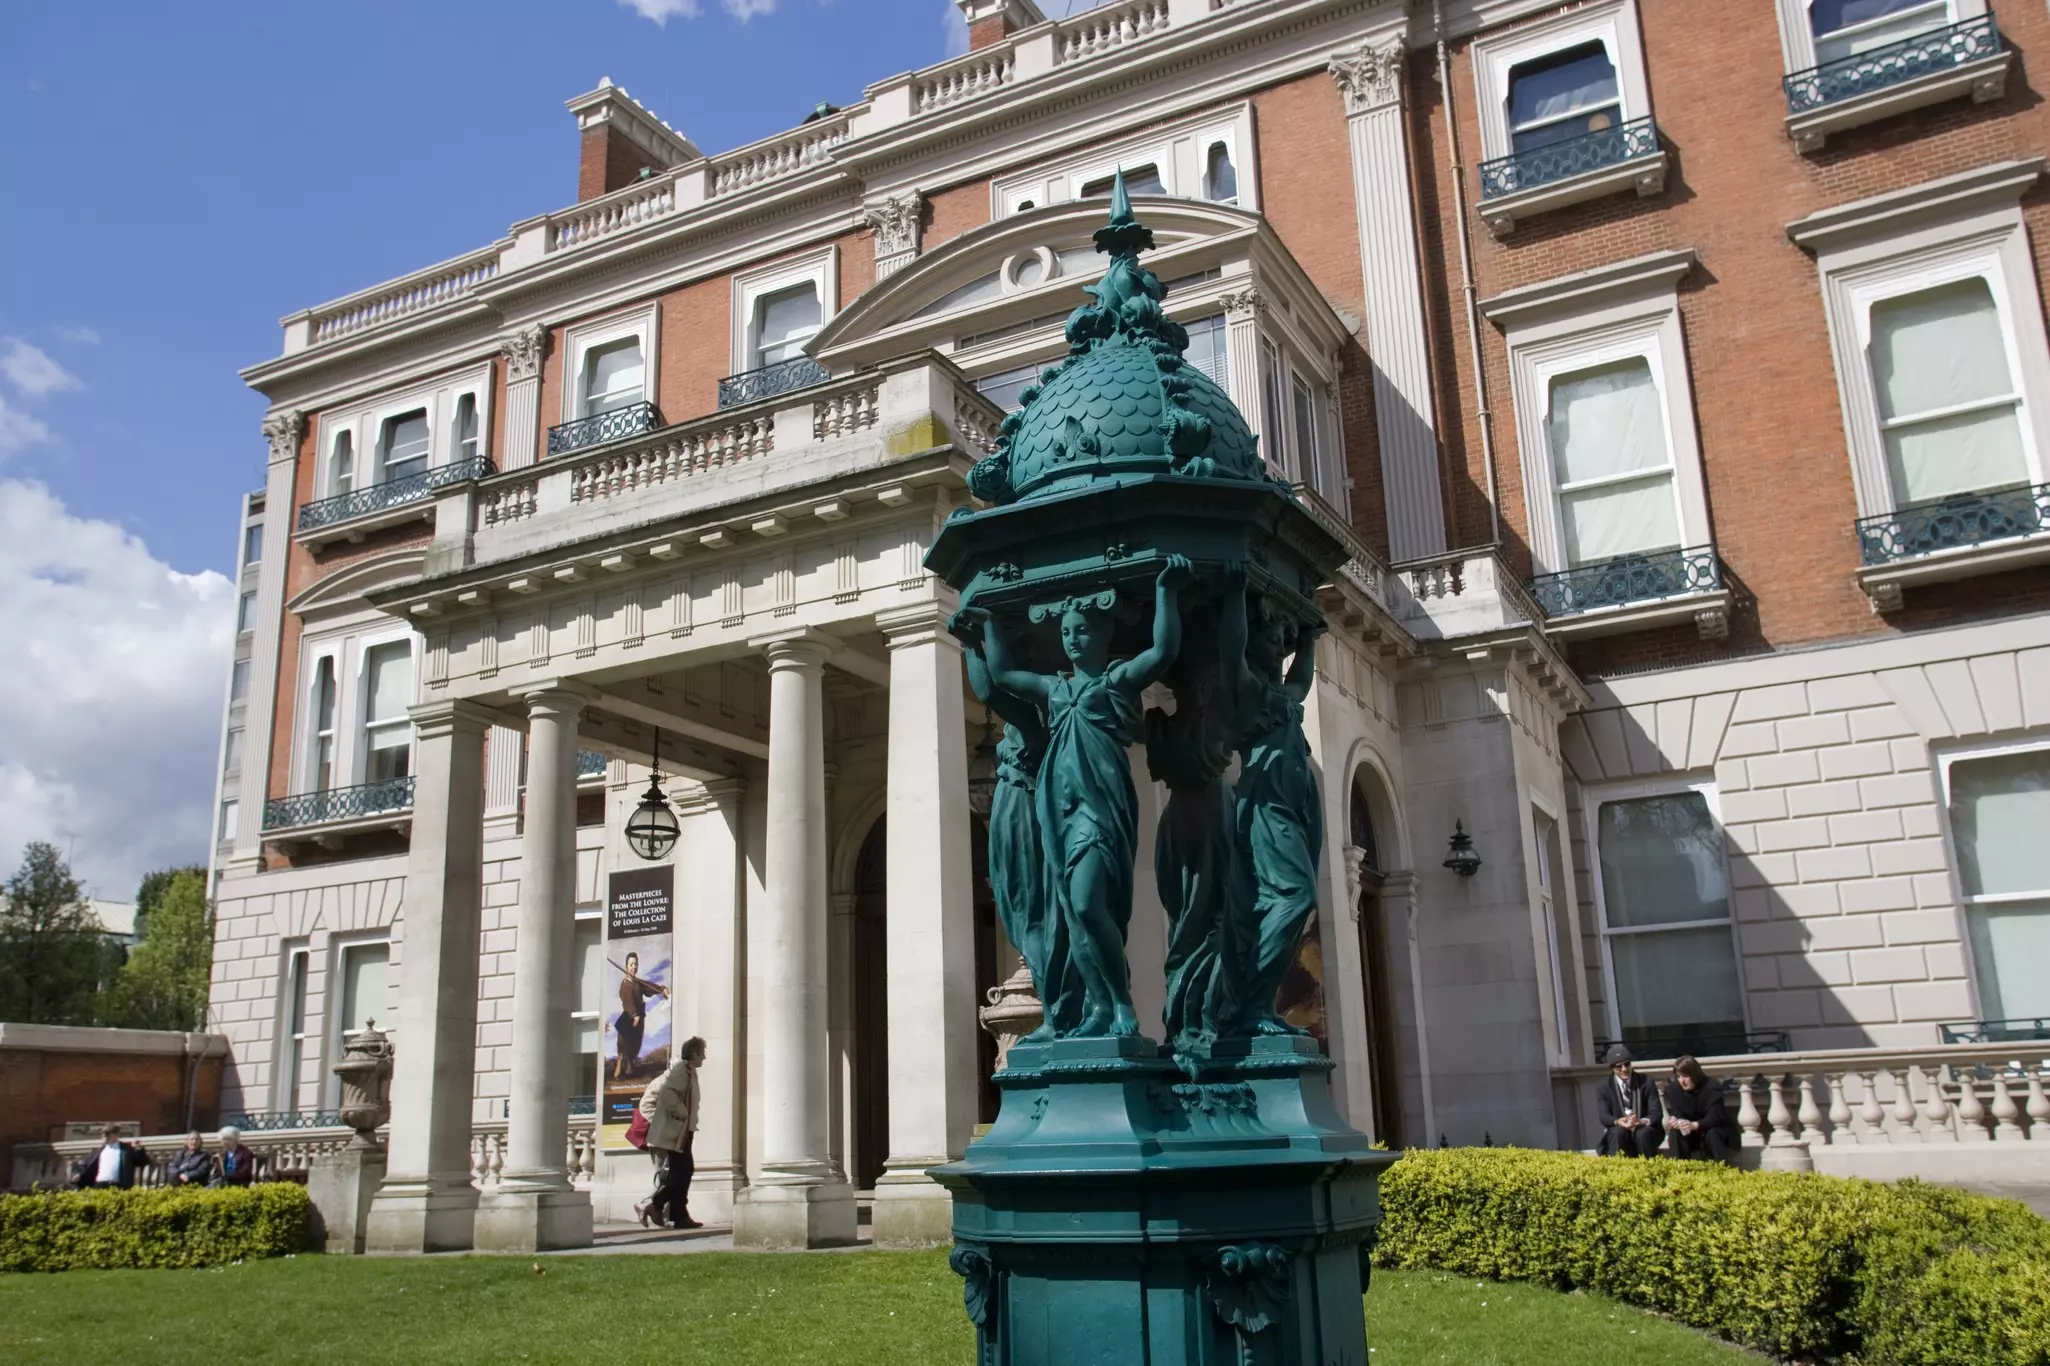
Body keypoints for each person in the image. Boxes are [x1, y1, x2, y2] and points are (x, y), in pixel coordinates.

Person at [966, 555, 1192, 1038]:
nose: (1072, 638)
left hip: (1099, 811)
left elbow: (1162, 652)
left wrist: (1165, 591)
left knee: (1090, 906)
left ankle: (1121, 1001)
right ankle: (1100, 1010)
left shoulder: (1115, 682)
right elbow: (999, 678)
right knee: (1073, 915)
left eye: (1083, 630)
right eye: (1067, 631)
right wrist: (978, 635)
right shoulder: (1055, 690)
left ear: (1103, 635)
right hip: (1058, 814)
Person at [636, 1036, 705, 1231]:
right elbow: (667, 1094)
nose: (704, 1058)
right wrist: (681, 1114)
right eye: (702, 1053)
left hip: (684, 1130)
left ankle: (678, 1215)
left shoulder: (688, 1072)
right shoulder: (680, 1071)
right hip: (676, 1132)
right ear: (694, 1054)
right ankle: (651, 1205)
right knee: (680, 1173)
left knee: (682, 1173)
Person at [1663, 1055, 1735, 1163]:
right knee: (1675, 1134)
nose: (1682, 1081)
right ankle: (1679, 1170)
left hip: (1712, 1129)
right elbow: (1677, 1112)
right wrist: (1677, 1121)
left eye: (1685, 1076)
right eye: (1678, 1076)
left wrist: (1694, 1125)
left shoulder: (1712, 1086)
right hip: (1689, 1133)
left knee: (1713, 1134)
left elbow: (1715, 1117)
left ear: (1694, 1075)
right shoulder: (1674, 1089)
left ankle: (1719, 1169)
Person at [1596, 1044, 1663, 1158]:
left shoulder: (1646, 1081)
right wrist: (1619, 1121)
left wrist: (1641, 1121)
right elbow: (1604, 1116)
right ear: (1612, 1068)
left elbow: (1656, 1112)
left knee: (1643, 1133)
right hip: (1620, 1130)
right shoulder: (1604, 1087)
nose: (1624, 1069)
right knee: (1617, 1133)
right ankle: (1616, 1172)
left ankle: (1649, 1169)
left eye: (1627, 1064)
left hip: (1643, 1129)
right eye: (1619, 1066)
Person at [612, 950, 669, 1080]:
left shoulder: (637, 982)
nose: (633, 967)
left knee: (636, 1044)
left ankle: (630, 1069)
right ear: (626, 966)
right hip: (629, 1019)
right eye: (631, 964)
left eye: (635, 964)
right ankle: (621, 1071)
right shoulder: (625, 984)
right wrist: (634, 1015)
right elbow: (627, 999)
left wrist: (661, 989)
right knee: (626, 1046)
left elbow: (648, 987)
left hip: (638, 1017)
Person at [72, 1123, 151, 1189]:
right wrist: (78, 1174)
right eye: (102, 1134)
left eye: (107, 1134)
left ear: (116, 1135)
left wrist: (139, 1150)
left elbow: (142, 1162)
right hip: (99, 1185)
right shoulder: (97, 1151)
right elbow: (84, 1165)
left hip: (118, 1186)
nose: (104, 1137)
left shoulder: (126, 1149)